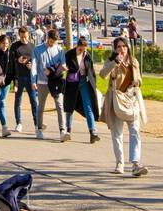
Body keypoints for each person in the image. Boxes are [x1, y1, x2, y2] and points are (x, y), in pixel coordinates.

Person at [100, 38, 148, 177]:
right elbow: (103, 75)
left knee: (135, 132)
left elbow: (140, 79)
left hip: (131, 100)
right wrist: (115, 63)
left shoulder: (134, 61)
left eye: (124, 46)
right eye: (119, 46)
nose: (122, 49)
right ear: (115, 49)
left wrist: (136, 82)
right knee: (117, 133)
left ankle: (135, 164)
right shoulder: (112, 61)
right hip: (116, 100)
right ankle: (119, 163)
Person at [63, 36, 100, 144]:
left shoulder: (87, 56)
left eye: (84, 49)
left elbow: (92, 71)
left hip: (84, 82)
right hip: (72, 83)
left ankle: (92, 132)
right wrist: (65, 68)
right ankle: (68, 131)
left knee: (88, 106)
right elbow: (62, 65)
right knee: (69, 107)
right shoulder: (69, 54)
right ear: (77, 46)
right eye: (80, 49)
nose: (82, 51)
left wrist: (94, 85)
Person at [33, 28, 66, 141]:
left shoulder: (60, 50)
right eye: (51, 41)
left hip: (56, 82)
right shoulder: (37, 50)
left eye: (55, 42)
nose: (53, 44)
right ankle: (39, 128)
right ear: (47, 38)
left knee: (60, 105)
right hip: (42, 82)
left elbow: (63, 65)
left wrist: (62, 68)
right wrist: (33, 81)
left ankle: (62, 130)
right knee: (41, 106)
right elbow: (34, 66)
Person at [6, 26, 39, 137]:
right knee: (18, 100)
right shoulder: (14, 46)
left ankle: (36, 123)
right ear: (19, 35)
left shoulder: (33, 47)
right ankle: (18, 122)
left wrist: (32, 66)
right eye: (21, 37)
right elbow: (10, 62)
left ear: (28, 35)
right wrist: (17, 60)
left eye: (25, 37)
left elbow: (36, 62)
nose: (24, 39)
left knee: (33, 101)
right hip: (18, 77)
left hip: (30, 77)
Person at [0, 34, 11, 137]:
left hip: (7, 82)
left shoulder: (10, 53)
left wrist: (15, 81)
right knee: (2, 103)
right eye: (3, 43)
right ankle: (4, 127)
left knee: (1, 104)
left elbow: (13, 67)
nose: (5, 45)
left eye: (7, 44)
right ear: (0, 43)